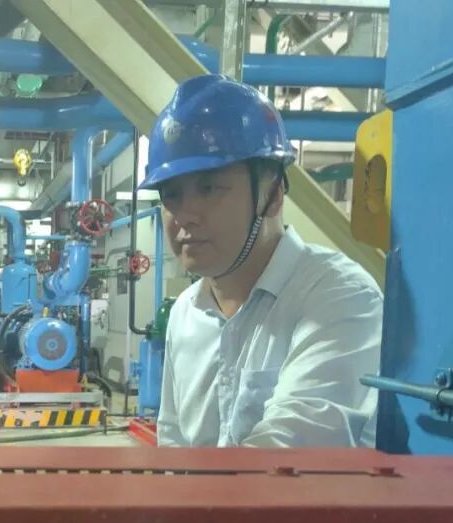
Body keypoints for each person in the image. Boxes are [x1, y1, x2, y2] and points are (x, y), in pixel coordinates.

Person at [143, 74, 383, 448]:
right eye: (171, 195)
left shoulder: (338, 296)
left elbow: (291, 449)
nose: (185, 215)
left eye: (208, 188)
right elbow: (173, 441)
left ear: (272, 195)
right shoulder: (185, 314)